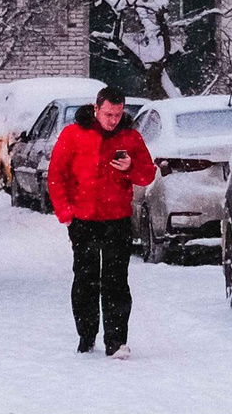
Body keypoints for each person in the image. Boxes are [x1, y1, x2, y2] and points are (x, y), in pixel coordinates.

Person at [46, 87, 156, 357]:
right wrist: (65, 213)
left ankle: (116, 341)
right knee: (86, 279)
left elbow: (147, 175)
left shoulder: (130, 137)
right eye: (108, 114)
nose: (113, 120)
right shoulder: (73, 135)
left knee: (116, 281)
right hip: (83, 220)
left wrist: (130, 168)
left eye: (118, 114)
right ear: (96, 109)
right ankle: (86, 335)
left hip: (118, 219)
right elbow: (57, 175)